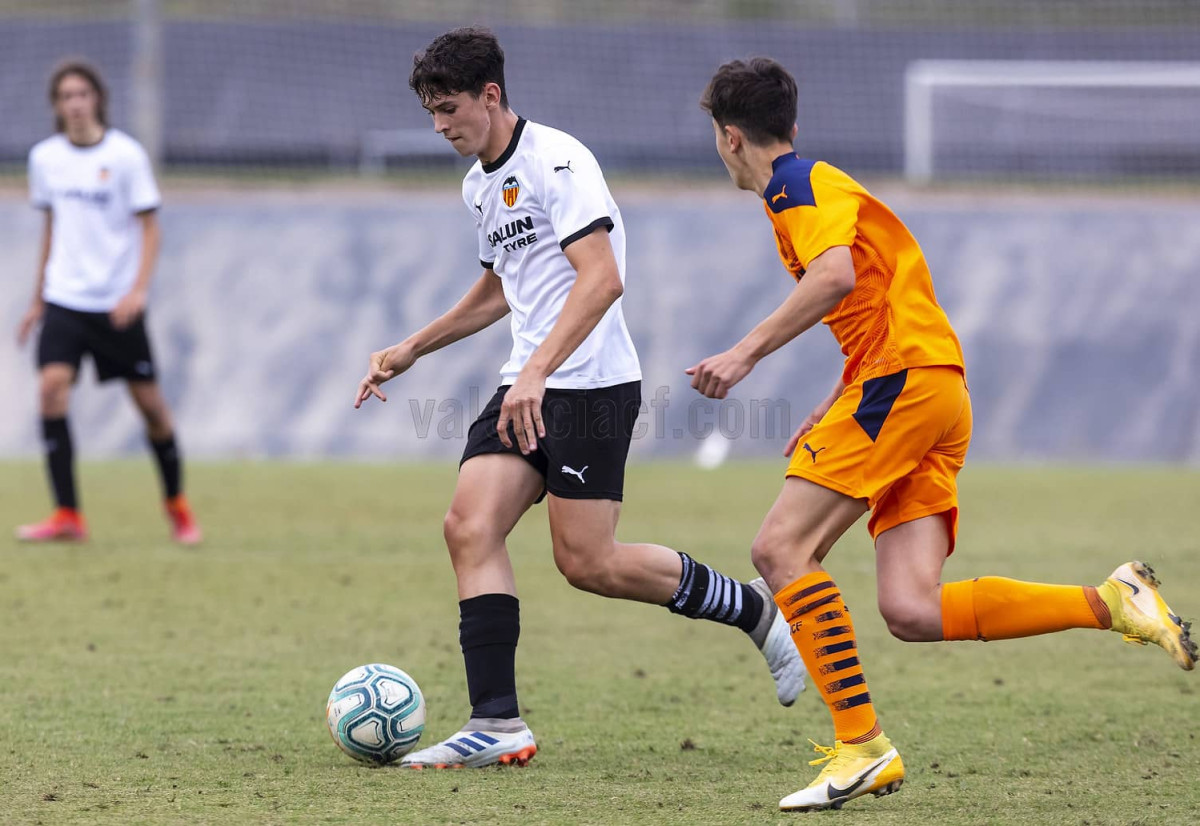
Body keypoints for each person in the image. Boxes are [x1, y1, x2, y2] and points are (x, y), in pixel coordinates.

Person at [689, 57, 1196, 812]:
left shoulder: (795, 187)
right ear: (791, 123)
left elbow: (832, 278)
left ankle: (863, 747)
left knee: (780, 549)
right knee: (911, 609)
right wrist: (838, 397)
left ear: (731, 138)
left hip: (903, 383)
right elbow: (872, 298)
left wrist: (743, 353)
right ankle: (1112, 602)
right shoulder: (818, 187)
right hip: (931, 390)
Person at [353, 28, 805, 769]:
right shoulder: (478, 185)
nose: (439, 126)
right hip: (527, 384)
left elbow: (601, 279)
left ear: (490, 95)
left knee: (589, 563)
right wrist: (413, 347)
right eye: (431, 112)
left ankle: (752, 609)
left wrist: (537, 372)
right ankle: (496, 722)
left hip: (591, 385)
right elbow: (499, 288)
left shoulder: (559, 161)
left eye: (448, 108)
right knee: (469, 526)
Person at [16, 61, 201, 546]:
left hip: (115, 304)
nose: (75, 103)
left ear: (97, 98)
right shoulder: (45, 158)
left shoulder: (125, 155)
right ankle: (67, 515)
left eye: (82, 94)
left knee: (151, 409)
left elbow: (150, 228)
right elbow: (51, 228)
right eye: (66, 96)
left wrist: (137, 290)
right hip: (63, 298)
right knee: (51, 389)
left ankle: (177, 507)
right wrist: (37, 300)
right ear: (57, 105)